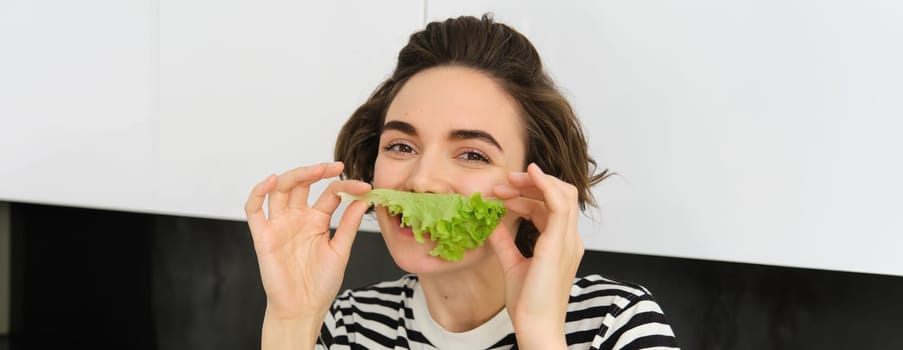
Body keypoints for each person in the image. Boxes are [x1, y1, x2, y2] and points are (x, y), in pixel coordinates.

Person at [245, 15, 679, 350]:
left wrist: (541, 333)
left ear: (535, 185)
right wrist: (291, 322)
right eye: (400, 146)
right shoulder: (350, 323)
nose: (422, 180)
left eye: (473, 154)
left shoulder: (614, 324)